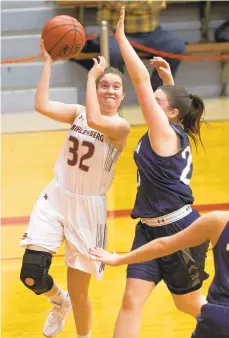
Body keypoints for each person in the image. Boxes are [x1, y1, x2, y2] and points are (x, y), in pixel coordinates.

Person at [89, 7, 210, 338]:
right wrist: (169, 82)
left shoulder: (165, 133)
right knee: (130, 300)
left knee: (187, 305)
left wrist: (121, 39)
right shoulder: (169, 126)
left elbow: (141, 80)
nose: (149, 103)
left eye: (157, 101)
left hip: (178, 229)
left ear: (168, 113)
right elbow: (170, 103)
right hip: (148, 229)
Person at [19, 39, 130, 338]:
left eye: (115, 87)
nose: (109, 90)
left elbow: (95, 119)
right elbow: (41, 105)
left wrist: (92, 77)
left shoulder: (120, 127)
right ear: (96, 91)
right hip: (56, 196)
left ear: (122, 96)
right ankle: (58, 301)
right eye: (104, 85)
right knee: (31, 274)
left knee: (81, 293)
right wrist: (48, 63)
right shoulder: (79, 112)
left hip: (88, 209)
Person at [89, 211, 229, 338]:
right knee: (131, 299)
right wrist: (120, 259)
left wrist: (119, 259)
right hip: (215, 319)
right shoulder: (216, 221)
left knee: (187, 302)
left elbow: (164, 245)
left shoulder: (217, 220)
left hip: (215, 318)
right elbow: (163, 245)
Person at [75, 1, 186, 91]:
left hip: (151, 32)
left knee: (176, 47)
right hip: (113, 32)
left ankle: (156, 93)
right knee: (114, 53)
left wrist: (127, 5)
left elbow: (159, 3)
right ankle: (115, 97)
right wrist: (143, 4)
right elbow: (114, 2)